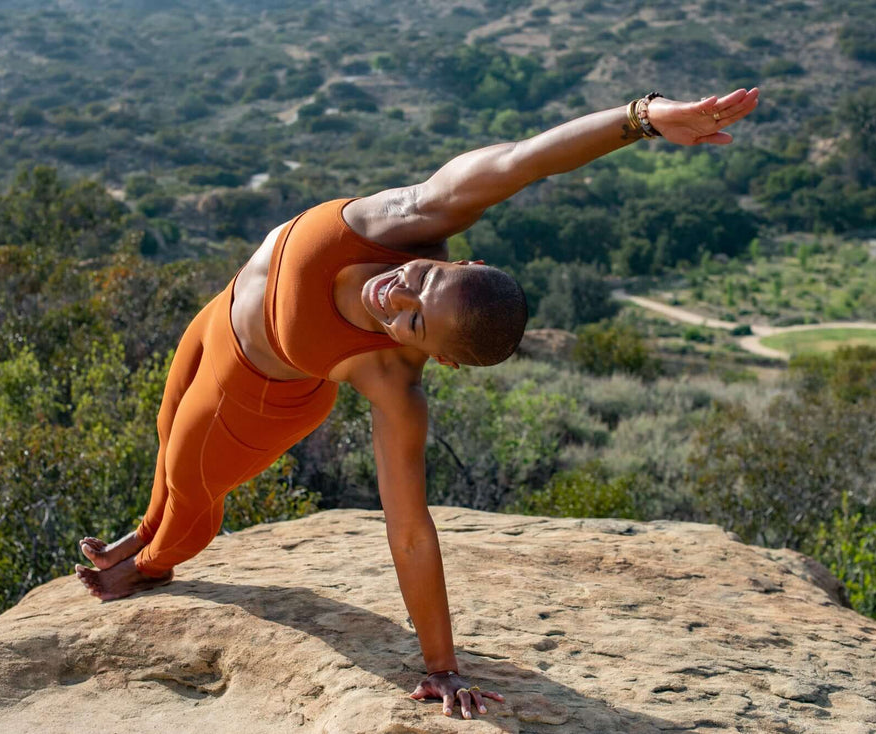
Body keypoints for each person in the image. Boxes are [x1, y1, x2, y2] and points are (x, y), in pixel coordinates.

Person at [75, 87, 761, 719]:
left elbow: (409, 530)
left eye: (412, 322)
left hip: (254, 395)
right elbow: (524, 161)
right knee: (164, 436)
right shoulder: (412, 217)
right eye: (419, 281)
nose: (392, 298)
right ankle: (142, 528)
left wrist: (442, 667)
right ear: (455, 259)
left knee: (192, 488)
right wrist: (641, 117)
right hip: (217, 316)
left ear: (436, 357)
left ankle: (152, 563)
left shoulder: (392, 385)